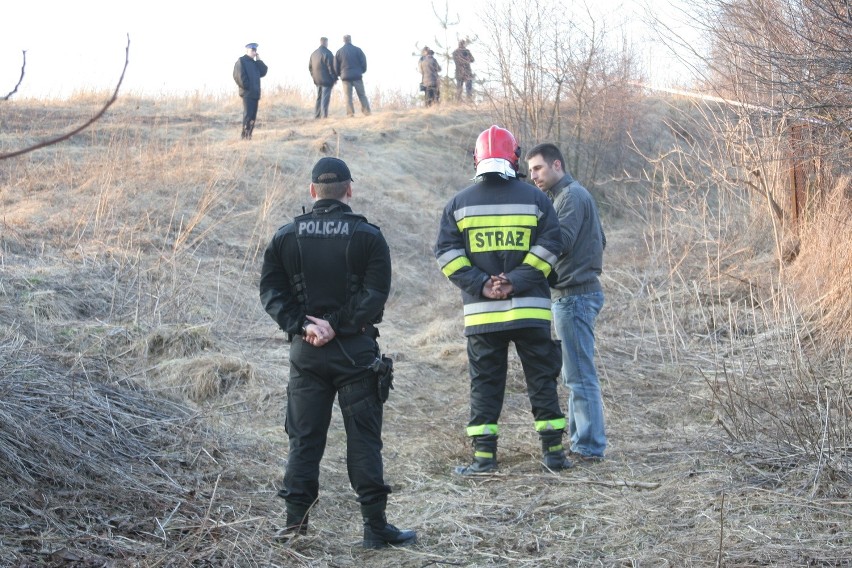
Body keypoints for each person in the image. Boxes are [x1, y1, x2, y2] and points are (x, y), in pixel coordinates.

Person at [259, 157, 416, 548]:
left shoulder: (285, 236)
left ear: (312, 192)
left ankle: (294, 526)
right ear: (350, 189)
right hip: (356, 353)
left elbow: (271, 292)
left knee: (304, 439)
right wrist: (339, 325)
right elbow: (375, 294)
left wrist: (306, 325)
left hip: (306, 353)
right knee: (364, 439)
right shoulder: (368, 236)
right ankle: (375, 529)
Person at [434, 125, 573, 475]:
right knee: (542, 380)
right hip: (531, 310)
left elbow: (447, 255)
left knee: (485, 383)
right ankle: (554, 455)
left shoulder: (458, 204)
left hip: (483, 315)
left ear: (477, 158)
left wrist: (483, 285)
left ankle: (483, 459)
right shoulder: (537, 199)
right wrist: (515, 281)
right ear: (514, 156)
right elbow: (552, 247)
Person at [526, 143, 607, 461]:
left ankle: (588, 448)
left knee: (579, 376)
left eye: (538, 168)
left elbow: (560, 241)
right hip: (575, 293)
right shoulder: (567, 196)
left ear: (556, 165)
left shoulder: (570, 196)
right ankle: (583, 442)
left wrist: (529, 269)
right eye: (531, 170)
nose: (533, 175)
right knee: (576, 374)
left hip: (575, 296)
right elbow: (600, 239)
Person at [233, 42, 268, 140]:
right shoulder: (241, 61)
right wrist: (246, 86)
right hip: (247, 94)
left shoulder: (255, 63)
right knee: (247, 116)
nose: (254, 52)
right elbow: (237, 75)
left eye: (255, 50)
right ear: (247, 50)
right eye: (252, 50)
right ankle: (244, 137)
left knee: (253, 117)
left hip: (255, 94)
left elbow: (264, 71)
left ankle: (249, 136)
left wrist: (259, 59)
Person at [334, 35, 371, 117]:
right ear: (350, 40)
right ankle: (367, 112)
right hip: (357, 76)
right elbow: (364, 62)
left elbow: (335, 66)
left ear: (343, 41)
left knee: (348, 97)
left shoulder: (339, 52)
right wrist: (362, 71)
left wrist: (339, 74)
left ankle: (350, 114)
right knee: (362, 95)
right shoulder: (358, 50)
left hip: (345, 78)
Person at [309, 37, 338, 119]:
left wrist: (314, 76)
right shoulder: (328, 53)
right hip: (326, 80)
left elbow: (310, 67)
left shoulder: (313, 54)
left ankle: (317, 115)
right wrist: (334, 78)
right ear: (326, 43)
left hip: (317, 80)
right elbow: (331, 68)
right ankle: (324, 116)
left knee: (319, 98)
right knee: (325, 98)